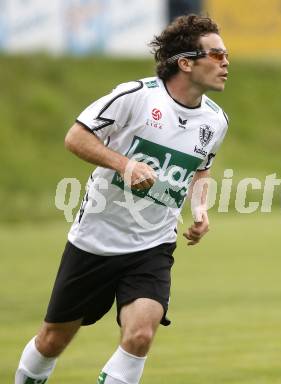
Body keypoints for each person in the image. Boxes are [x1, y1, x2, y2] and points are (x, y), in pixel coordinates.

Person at [15, 14, 229, 384]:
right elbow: (76, 138)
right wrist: (125, 164)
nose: (226, 63)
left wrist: (200, 210)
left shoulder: (215, 121)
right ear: (186, 62)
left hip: (153, 244)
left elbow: (201, 170)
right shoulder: (136, 96)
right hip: (96, 240)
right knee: (53, 340)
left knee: (141, 335)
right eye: (217, 55)